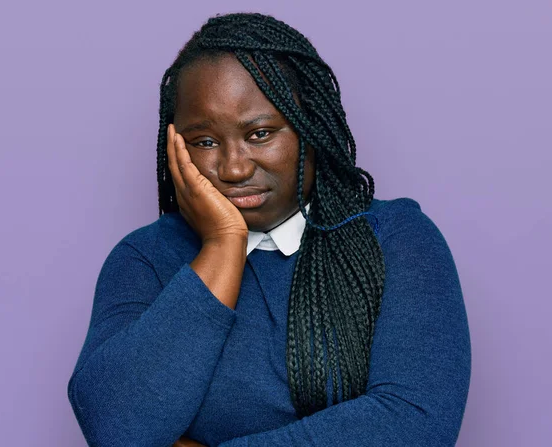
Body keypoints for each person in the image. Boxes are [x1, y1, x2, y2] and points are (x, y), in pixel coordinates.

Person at [67, 12, 471, 447]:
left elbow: (415, 424)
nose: (234, 167)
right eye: (204, 141)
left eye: (260, 133)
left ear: (310, 129)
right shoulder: (144, 259)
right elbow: (115, 430)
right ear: (174, 145)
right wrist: (222, 244)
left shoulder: (395, 240)